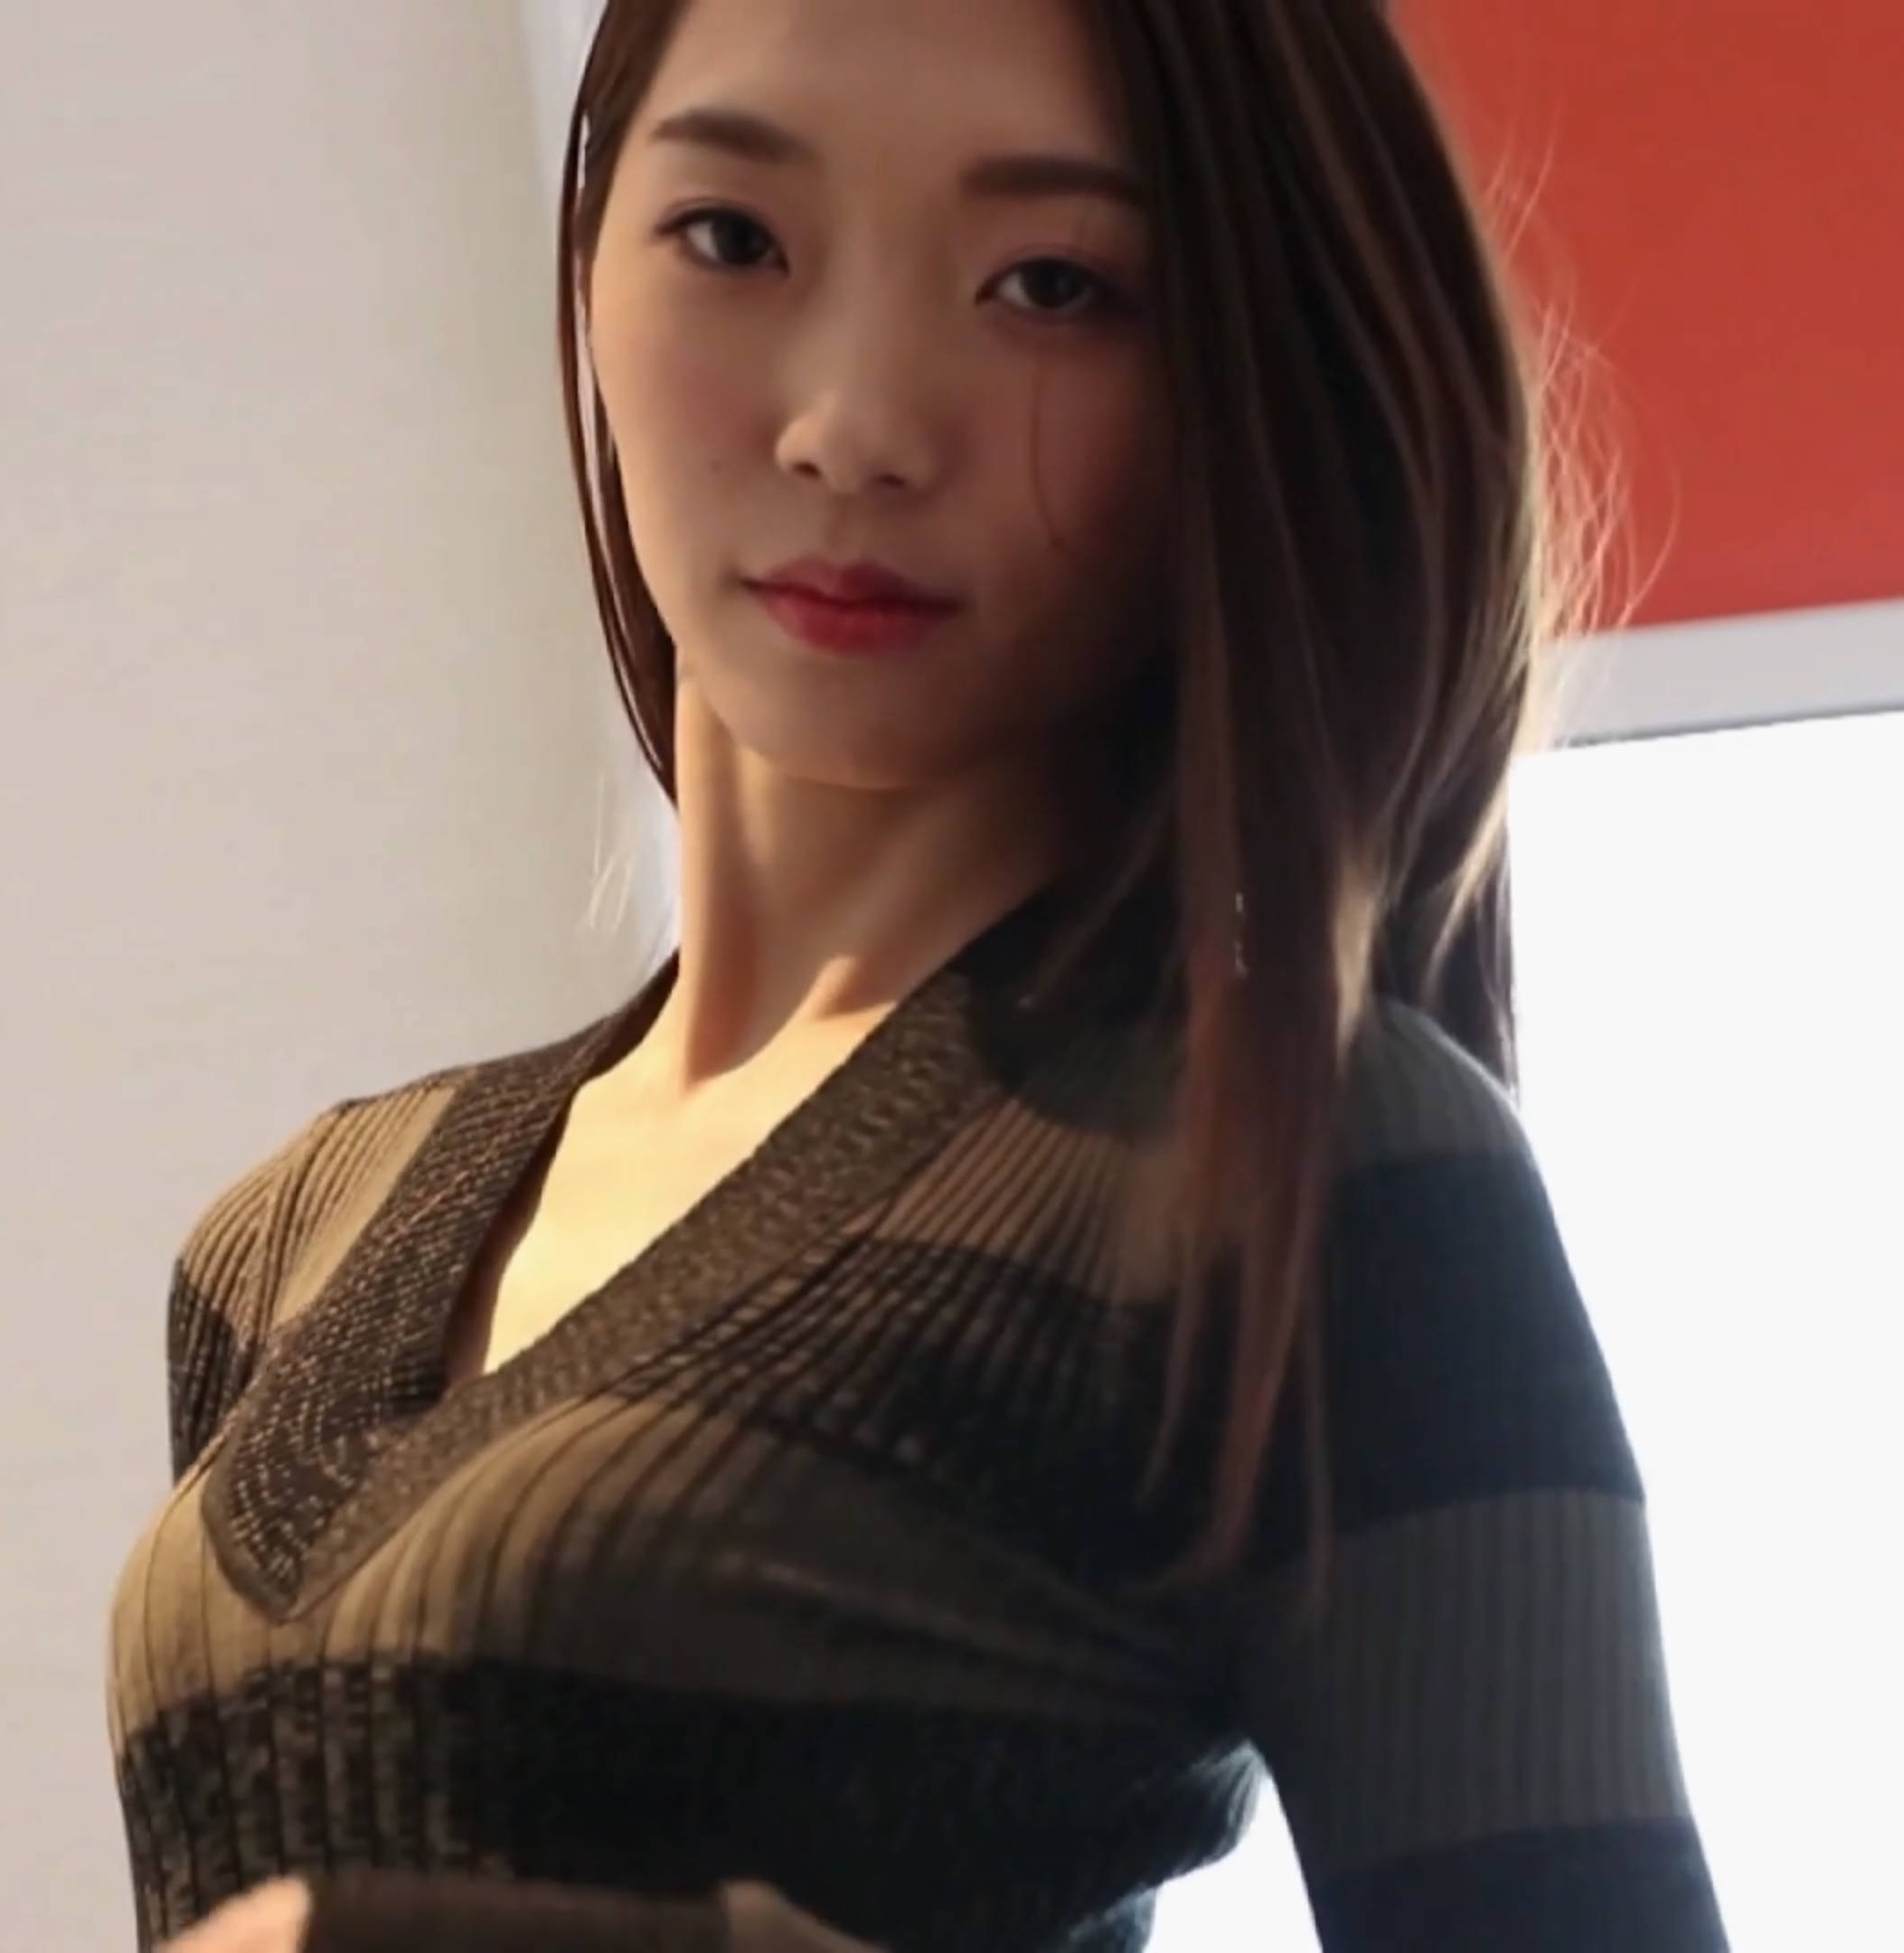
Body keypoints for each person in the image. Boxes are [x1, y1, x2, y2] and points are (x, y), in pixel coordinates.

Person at [109, 0, 1726, 1947]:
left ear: (1225, 368)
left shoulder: (1294, 1164)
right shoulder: (290, 1237)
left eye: (1051, 285)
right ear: (591, 262)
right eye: (733, 238)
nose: (856, 425)